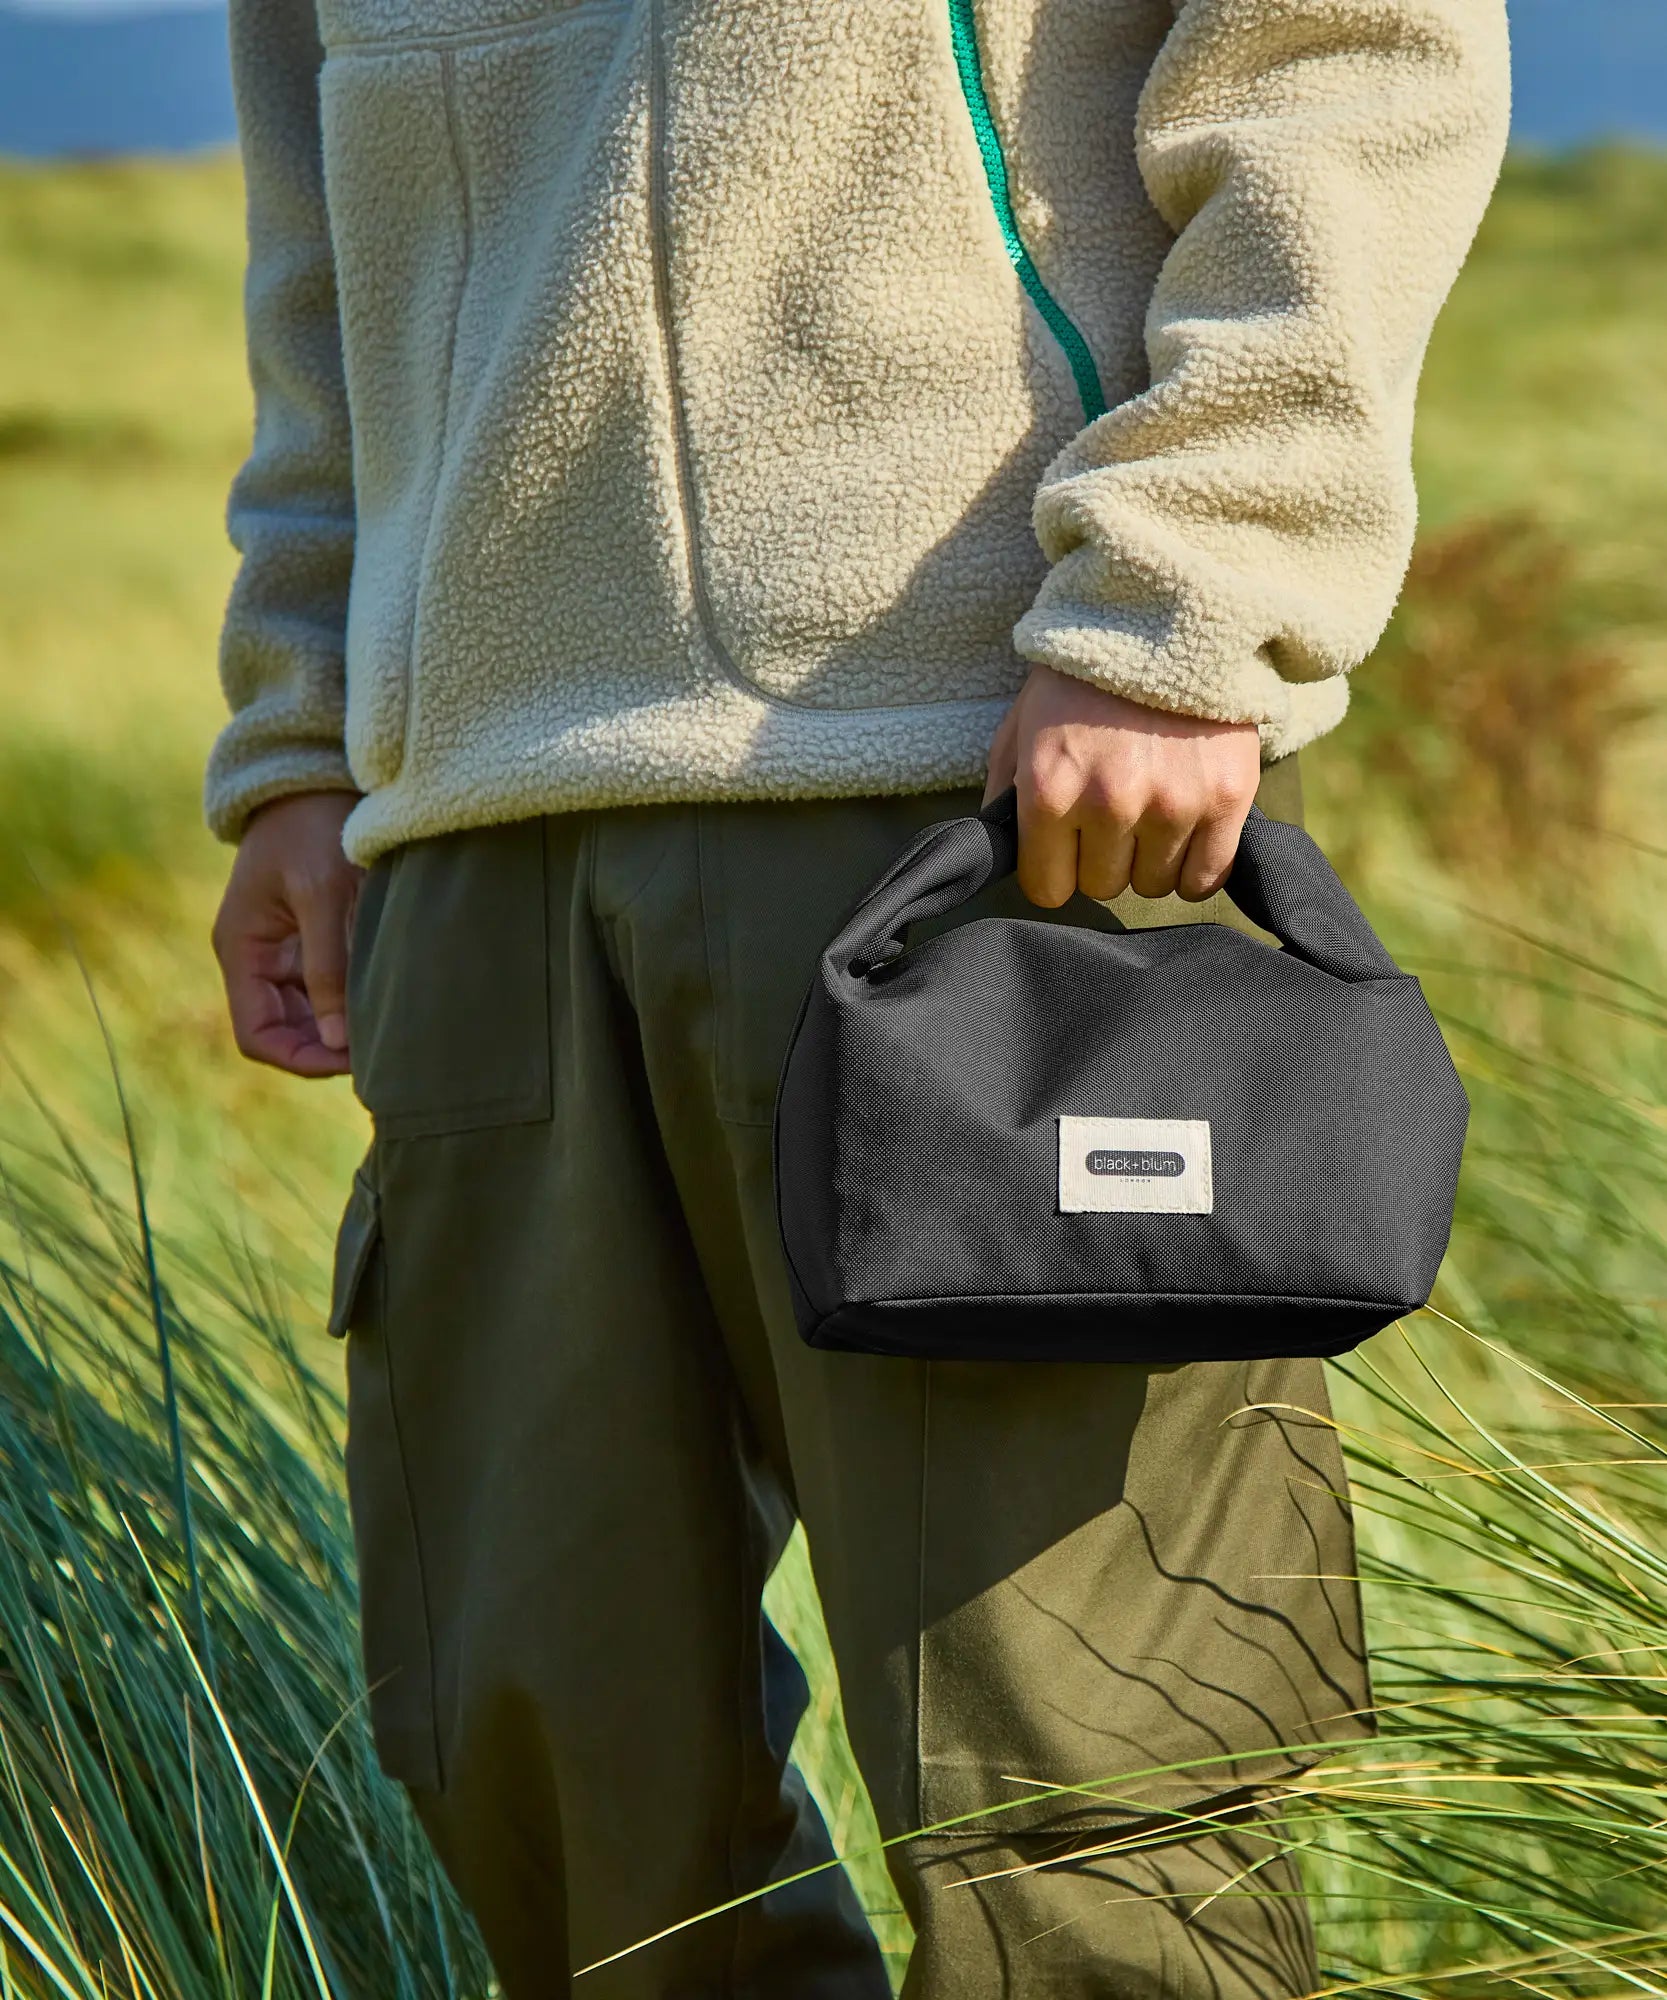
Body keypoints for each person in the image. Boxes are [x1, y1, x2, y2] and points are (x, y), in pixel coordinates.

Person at [208, 1, 1508, 1991]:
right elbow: (322, 228)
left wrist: (1191, 581)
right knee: (555, 1774)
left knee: (1082, 1798)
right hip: (470, 829)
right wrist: (306, 729)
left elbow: (1348, 47)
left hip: (990, 794)